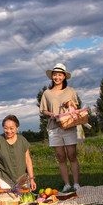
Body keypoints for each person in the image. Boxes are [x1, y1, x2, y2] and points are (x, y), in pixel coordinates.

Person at [39, 63, 81, 192]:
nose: (57, 77)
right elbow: (43, 110)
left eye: (59, 75)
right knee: (60, 156)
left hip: (68, 126)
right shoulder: (47, 93)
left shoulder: (71, 91)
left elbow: (76, 108)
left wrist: (70, 103)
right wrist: (50, 114)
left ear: (64, 77)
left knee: (72, 155)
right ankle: (67, 184)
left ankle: (76, 183)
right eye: (55, 75)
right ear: (52, 77)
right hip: (54, 128)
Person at [0, 115, 37, 191]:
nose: (8, 131)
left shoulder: (22, 140)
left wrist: (31, 179)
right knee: (6, 200)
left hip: (22, 178)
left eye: (11, 128)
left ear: (17, 128)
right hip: (4, 178)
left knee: (24, 201)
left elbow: (28, 160)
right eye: (5, 128)